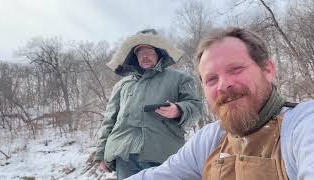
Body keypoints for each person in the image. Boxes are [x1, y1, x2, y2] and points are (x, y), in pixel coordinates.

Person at [127, 27, 314, 180]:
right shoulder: (209, 140)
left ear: (268, 70)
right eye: (211, 79)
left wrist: (179, 110)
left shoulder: (302, 125)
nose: (223, 85)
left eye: (236, 69)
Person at [94, 29, 202, 180]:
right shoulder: (121, 85)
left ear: (159, 53)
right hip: (124, 156)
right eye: (140, 52)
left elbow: (196, 106)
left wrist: (178, 110)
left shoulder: (179, 78)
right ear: (134, 57)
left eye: (149, 51)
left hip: (162, 153)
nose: (144, 56)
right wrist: (101, 154)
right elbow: (109, 120)